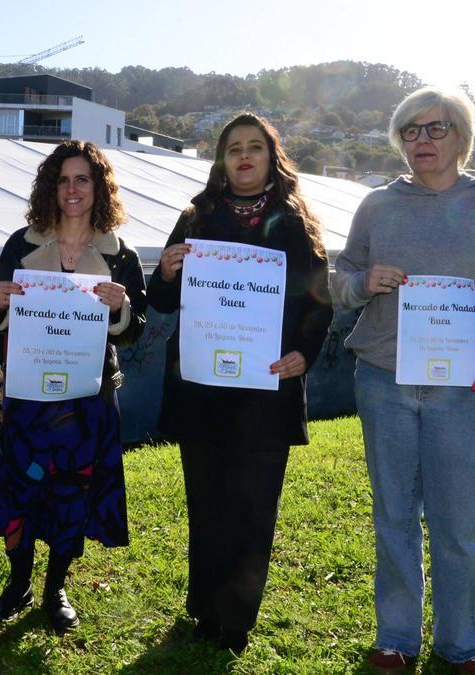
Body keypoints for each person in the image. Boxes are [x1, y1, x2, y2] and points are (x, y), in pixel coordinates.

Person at [331, 87, 475, 675]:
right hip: (382, 380)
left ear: (462, 137)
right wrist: (362, 282)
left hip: (461, 389)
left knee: (457, 519)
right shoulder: (377, 205)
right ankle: (396, 639)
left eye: (435, 128)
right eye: (410, 130)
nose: (421, 140)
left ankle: (462, 644)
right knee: (394, 514)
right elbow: (339, 278)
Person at [146, 113, 332, 653]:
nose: (244, 156)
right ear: (222, 160)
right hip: (203, 389)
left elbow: (320, 302)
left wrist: (303, 353)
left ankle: (235, 618)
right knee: (206, 504)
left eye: (255, 147)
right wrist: (167, 272)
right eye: (234, 149)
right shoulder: (196, 217)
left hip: (267, 389)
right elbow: (162, 302)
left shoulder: (295, 221)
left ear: (272, 158)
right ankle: (204, 607)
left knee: (252, 508)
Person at [0, 140, 147, 633]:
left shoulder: (122, 255)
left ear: (99, 188)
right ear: (50, 188)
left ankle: (55, 588)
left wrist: (120, 307)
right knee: (21, 492)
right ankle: (18, 584)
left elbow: (134, 329)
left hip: (88, 400)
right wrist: (1, 300)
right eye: (63, 180)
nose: (72, 189)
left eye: (82, 179)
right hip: (29, 395)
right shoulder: (21, 244)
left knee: (73, 495)